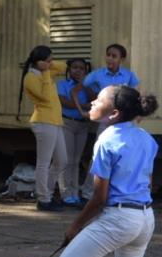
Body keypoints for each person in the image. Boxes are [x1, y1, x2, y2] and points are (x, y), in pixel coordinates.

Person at [47, 85, 162, 257]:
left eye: (97, 100)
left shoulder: (107, 139)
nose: (91, 103)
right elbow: (148, 182)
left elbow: (99, 198)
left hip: (119, 219)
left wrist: (75, 226)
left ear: (114, 113)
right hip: (145, 219)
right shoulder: (147, 138)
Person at [80, 43, 141, 199]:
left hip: (124, 120)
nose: (110, 58)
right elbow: (81, 86)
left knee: (122, 155)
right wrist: (92, 101)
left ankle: (112, 192)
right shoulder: (98, 74)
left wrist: (137, 115)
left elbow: (136, 96)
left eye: (114, 56)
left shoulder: (128, 75)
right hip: (106, 121)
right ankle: (88, 193)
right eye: (108, 55)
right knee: (98, 155)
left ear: (122, 59)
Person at [17, 45, 68, 212]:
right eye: (47, 61)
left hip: (55, 122)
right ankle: (43, 198)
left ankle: (48, 193)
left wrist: (48, 65)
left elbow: (63, 67)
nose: (51, 63)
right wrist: (46, 72)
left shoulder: (44, 71)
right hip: (43, 121)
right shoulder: (31, 78)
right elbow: (45, 98)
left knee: (62, 160)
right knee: (44, 162)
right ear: (37, 62)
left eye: (51, 60)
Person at [56, 58, 94, 207]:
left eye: (81, 68)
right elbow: (65, 102)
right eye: (74, 68)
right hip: (67, 123)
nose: (77, 71)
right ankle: (65, 194)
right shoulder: (62, 85)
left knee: (76, 160)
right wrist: (84, 106)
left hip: (83, 125)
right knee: (67, 160)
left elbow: (95, 100)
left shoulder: (88, 86)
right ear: (69, 69)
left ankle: (74, 192)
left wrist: (84, 85)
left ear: (85, 71)